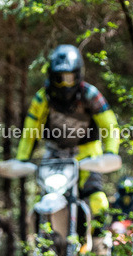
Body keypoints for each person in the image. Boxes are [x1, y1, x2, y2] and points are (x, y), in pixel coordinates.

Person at [15, 45, 119, 235]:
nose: (65, 84)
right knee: (45, 200)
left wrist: (111, 153)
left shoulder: (91, 95)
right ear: (51, 76)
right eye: (60, 78)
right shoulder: (43, 97)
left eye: (69, 77)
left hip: (87, 157)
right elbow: (30, 130)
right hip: (54, 157)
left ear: (78, 74)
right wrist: (22, 158)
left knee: (98, 201)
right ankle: (45, 248)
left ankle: (100, 253)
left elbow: (110, 125)